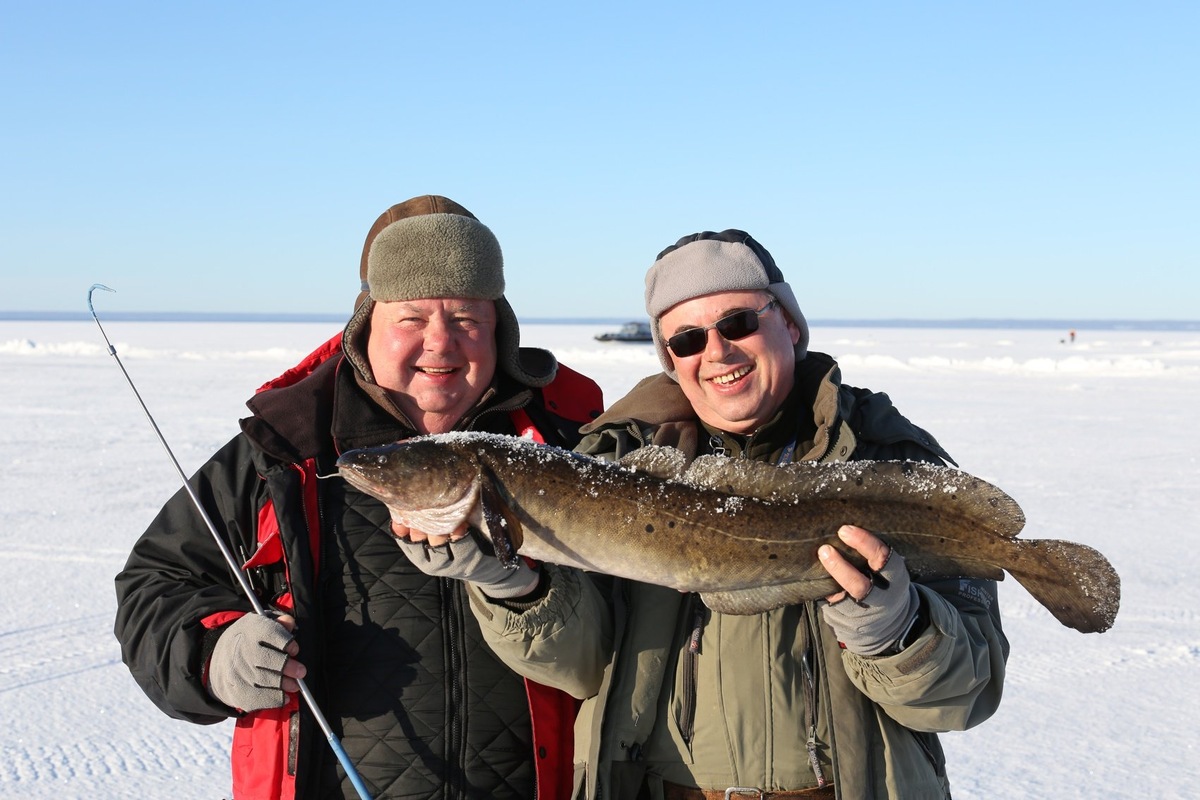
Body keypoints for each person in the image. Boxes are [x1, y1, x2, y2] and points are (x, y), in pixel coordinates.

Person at [398, 229, 1009, 799]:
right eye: (686, 339)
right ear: (669, 357)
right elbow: (581, 665)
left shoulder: (893, 467)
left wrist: (896, 631)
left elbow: (965, 697)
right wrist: (511, 582)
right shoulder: (609, 467)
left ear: (790, 326)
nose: (715, 351)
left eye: (737, 322)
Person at [114, 195, 604, 800]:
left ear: (500, 331)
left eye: (467, 319)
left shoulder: (572, 442)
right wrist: (216, 653)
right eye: (411, 318)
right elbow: (155, 584)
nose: (441, 344)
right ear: (366, 324)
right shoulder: (284, 453)